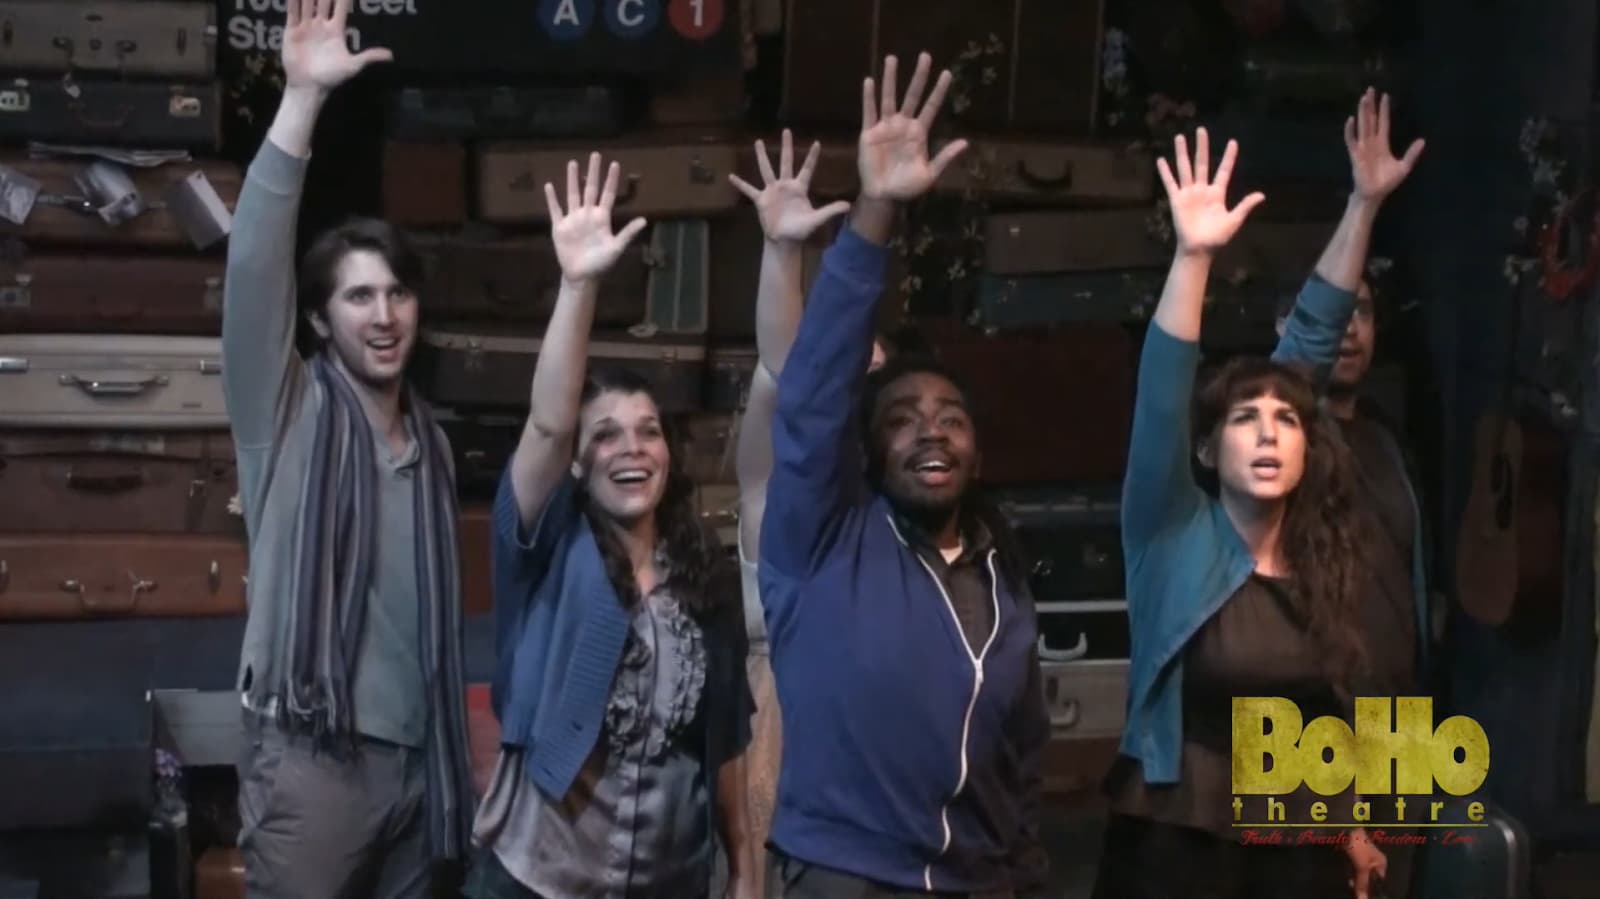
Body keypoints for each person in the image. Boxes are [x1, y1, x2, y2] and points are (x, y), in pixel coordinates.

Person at [758, 52, 1051, 897]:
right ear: (867, 449)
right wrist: (876, 208)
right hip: (848, 874)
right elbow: (810, 396)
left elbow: (1021, 763)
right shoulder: (821, 541)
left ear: (978, 453)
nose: (931, 429)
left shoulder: (1004, 578)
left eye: (952, 418)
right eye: (902, 418)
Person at [1091, 123, 1398, 899]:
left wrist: (1363, 204)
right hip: (1176, 838)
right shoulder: (1172, 529)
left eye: (1287, 420)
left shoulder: (1320, 555)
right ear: (1206, 451)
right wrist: (1194, 256)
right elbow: (1165, 387)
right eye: (1243, 419)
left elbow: (1313, 345)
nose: (1267, 431)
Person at [224, 1, 473, 896]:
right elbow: (254, 268)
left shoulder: (434, 446)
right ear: (322, 322)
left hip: (423, 764)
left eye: (398, 292)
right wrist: (300, 103)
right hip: (313, 757)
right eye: (358, 296)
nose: (383, 313)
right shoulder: (284, 410)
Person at [463, 151, 757, 899]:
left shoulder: (704, 575)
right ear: (575, 462)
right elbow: (549, 417)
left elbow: (723, 735)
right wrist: (578, 283)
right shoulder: (545, 550)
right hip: (539, 877)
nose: (630, 449)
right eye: (606, 435)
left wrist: (745, 865)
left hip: (670, 878)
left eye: (648, 431)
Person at [1274, 87, 1429, 897]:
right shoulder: (1278, 440)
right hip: (1304, 713)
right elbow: (1298, 356)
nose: (1353, 328)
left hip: (1397, 720)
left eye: (1365, 312)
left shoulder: (1386, 444)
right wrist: (1363, 206)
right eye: (1341, 312)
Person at [724, 129, 882, 895]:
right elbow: (793, 384)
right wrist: (783, 253)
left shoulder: (904, 528)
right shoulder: (786, 519)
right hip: (779, 762)